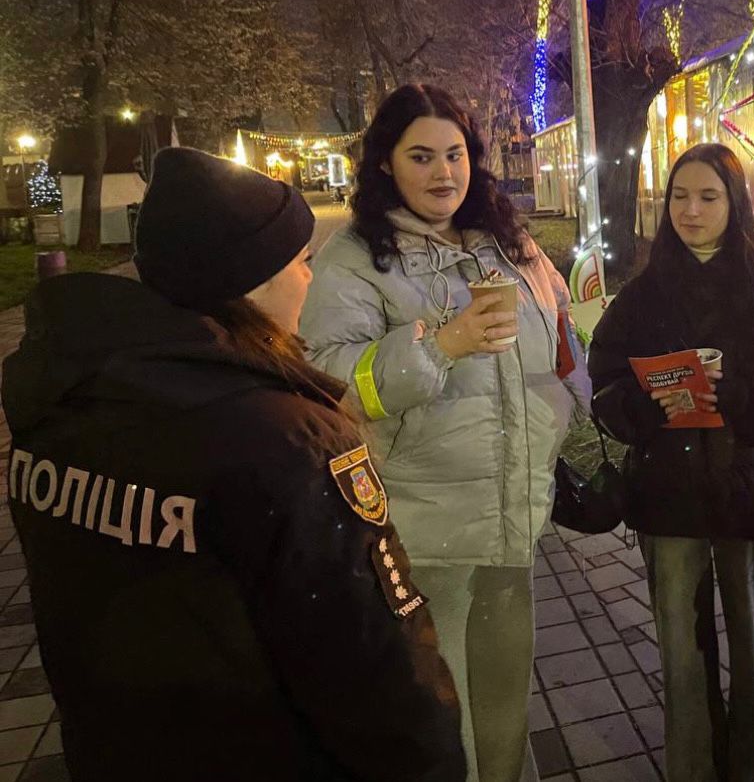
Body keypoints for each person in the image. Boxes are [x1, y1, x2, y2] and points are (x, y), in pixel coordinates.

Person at [1, 148, 465, 782]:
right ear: (251, 281)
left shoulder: (63, 405)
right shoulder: (288, 442)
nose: (312, 279)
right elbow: (373, 666)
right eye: (301, 264)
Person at [299, 83, 589, 782]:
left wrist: (579, 377)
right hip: (426, 530)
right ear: (385, 166)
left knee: (503, 710)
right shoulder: (354, 259)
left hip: (511, 521)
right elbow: (330, 382)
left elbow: (562, 331)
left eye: (454, 154)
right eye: (421, 156)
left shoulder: (506, 240)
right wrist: (441, 346)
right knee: (439, 717)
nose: (443, 173)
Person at [588, 143, 754, 782]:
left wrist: (738, 391)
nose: (690, 211)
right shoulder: (643, 298)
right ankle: (692, 770)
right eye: (679, 196)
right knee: (681, 655)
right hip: (669, 502)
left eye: (708, 197)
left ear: (738, 205)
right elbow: (606, 393)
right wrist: (651, 403)